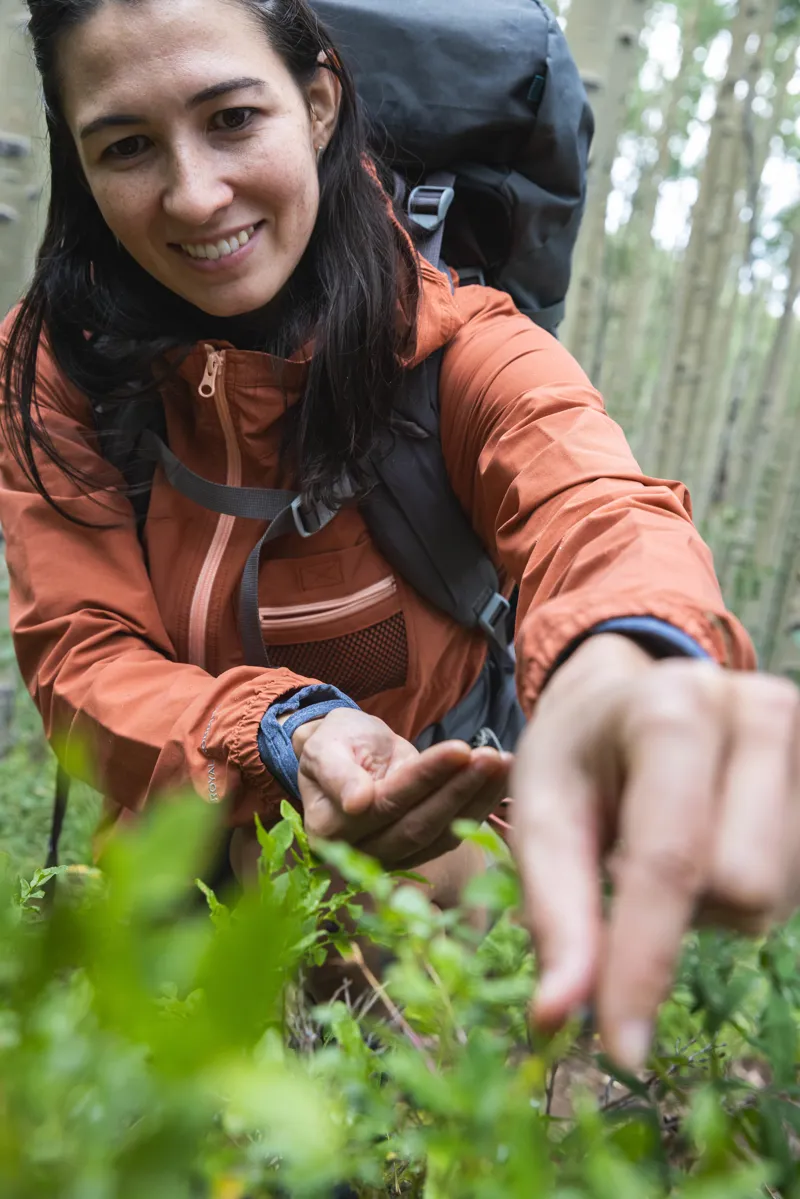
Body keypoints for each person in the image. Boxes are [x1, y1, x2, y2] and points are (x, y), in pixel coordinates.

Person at [0, 0, 797, 1075]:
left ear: (318, 100)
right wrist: (282, 726)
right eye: (127, 146)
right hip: (170, 891)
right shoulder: (61, 365)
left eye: (232, 118)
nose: (193, 195)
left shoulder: (459, 351)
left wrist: (633, 653)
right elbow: (80, 649)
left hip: (426, 922)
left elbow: (592, 505)